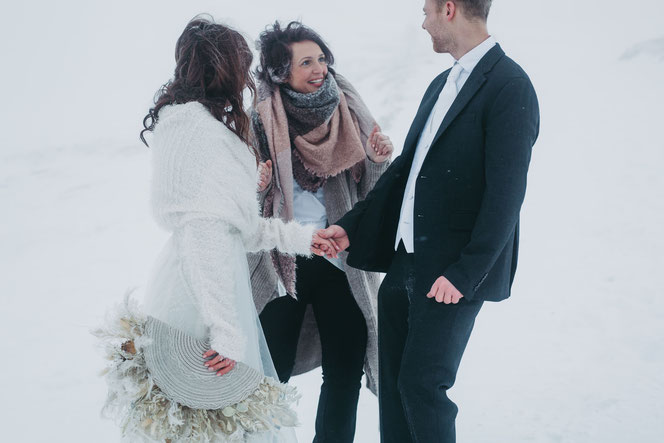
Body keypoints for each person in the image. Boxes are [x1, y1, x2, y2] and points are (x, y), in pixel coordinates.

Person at [318, 1, 541, 441]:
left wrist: (466, 271)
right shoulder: (442, 83)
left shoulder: (511, 86)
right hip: (406, 263)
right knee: (397, 390)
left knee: (423, 386)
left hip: (451, 273)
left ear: (450, 9)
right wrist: (353, 226)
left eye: (426, 11)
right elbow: (406, 171)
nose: (423, 22)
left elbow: (506, 195)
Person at [137, 16, 332, 442]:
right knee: (217, 420)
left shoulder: (193, 124)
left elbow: (239, 229)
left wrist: (303, 239)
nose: (246, 74)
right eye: (240, 62)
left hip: (208, 282)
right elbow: (204, 232)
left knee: (214, 425)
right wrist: (226, 330)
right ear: (221, 66)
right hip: (204, 293)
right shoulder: (197, 133)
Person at [248, 21, 394, 443]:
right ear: (280, 73)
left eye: (321, 58)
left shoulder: (345, 111)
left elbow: (371, 193)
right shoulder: (259, 119)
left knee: (345, 368)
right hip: (284, 262)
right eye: (305, 62)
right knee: (270, 371)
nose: (318, 69)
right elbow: (243, 209)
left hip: (337, 256)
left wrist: (377, 159)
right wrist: (255, 185)